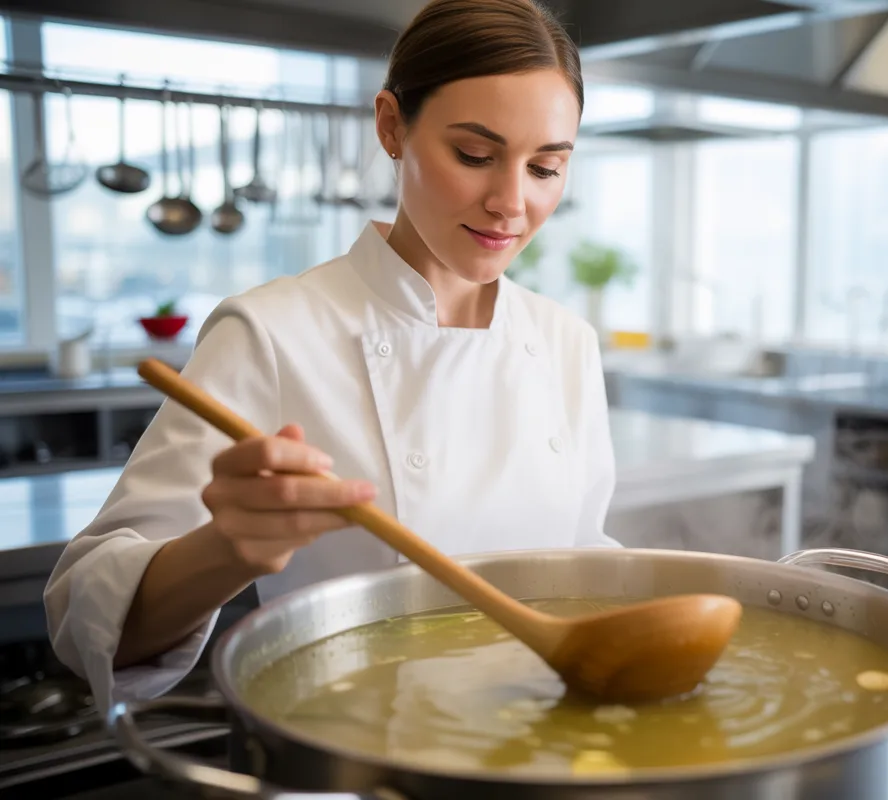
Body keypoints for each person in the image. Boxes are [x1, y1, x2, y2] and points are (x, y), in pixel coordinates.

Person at [44, 0, 621, 715]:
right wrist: (230, 547)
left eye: (545, 167)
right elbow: (81, 616)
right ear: (391, 126)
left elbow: (585, 560)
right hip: (355, 752)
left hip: (545, 746)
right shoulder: (273, 330)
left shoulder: (565, 340)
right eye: (474, 155)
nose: (511, 202)